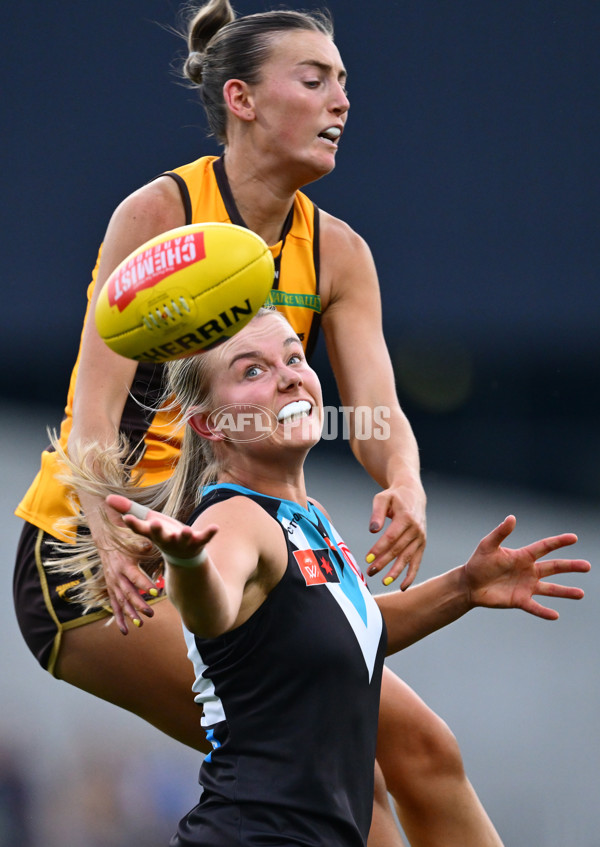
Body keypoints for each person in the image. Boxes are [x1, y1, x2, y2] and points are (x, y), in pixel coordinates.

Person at [9, 2, 538, 844]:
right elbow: (95, 414)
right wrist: (109, 538)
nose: (343, 101)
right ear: (242, 99)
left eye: (345, 82)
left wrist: (404, 482)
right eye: (316, 79)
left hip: (240, 546)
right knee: (344, 764)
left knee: (416, 752)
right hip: (98, 557)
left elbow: (375, 413)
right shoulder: (161, 214)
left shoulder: (340, 252)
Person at [55, 308, 589, 847]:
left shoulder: (310, 518)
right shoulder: (233, 518)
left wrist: (464, 588)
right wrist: (190, 565)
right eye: (252, 372)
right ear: (210, 424)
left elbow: (344, 628)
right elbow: (211, 610)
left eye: (292, 357)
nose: (289, 375)